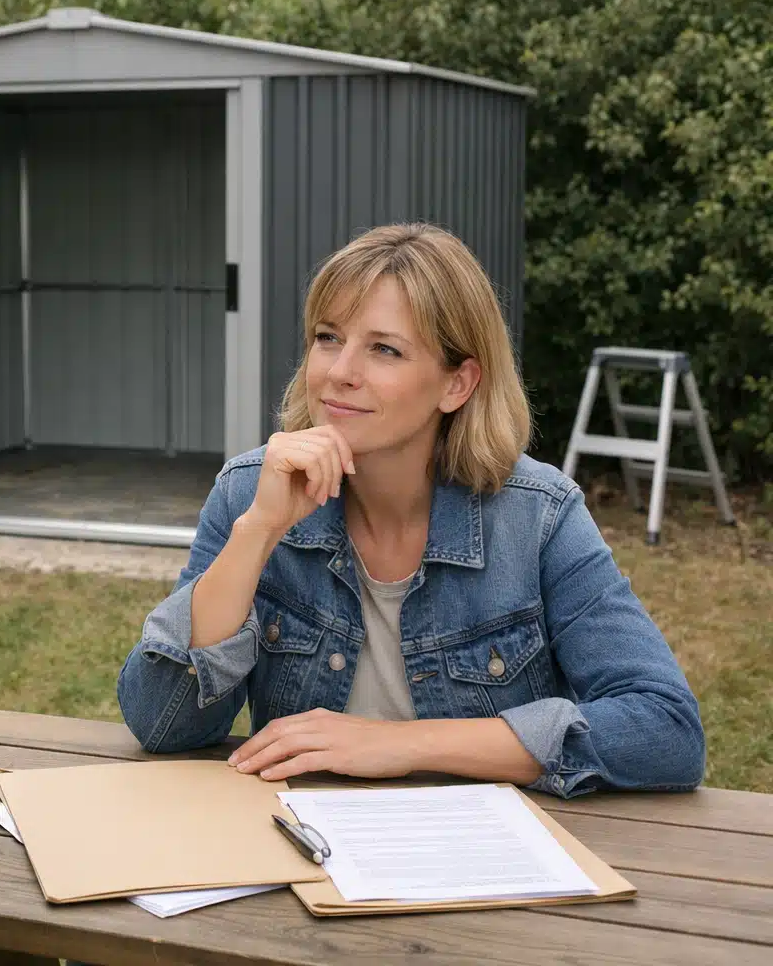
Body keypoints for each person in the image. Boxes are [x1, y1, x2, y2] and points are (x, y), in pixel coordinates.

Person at [117, 223, 705, 798]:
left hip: (483, 861)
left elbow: (665, 730)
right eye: (328, 337)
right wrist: (259, 531)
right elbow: (163, 723)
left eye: (384, 349)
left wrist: (403, 745)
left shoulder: (538, 517)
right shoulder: (251, 493)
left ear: (458, 384)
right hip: (304, 845)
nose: (340, 373)